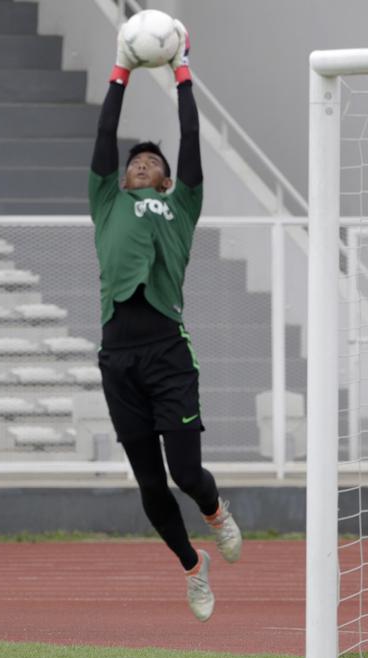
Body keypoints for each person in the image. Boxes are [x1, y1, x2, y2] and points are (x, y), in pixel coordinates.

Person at [88, 19, 241, 622]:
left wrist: (182, 71)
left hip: (167, 352)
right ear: (122, 180)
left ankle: (215, 512)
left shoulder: (182, 205)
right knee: (150, 485)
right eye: (136, 163)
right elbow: (104, 132)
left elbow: (190, 135)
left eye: (153, 161)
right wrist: (120, 70)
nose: (143, 164)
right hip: (117, 360)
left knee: (185, 473)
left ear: (169, 180)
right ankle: (192, 567)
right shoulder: (107, 201)